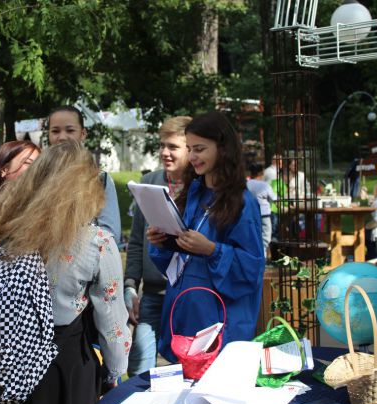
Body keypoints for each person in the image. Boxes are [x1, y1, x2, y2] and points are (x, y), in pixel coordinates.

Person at [0, 140, 130, 404]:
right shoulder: (96, 243)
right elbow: (112, 325)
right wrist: (114, 373)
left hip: (3, 362)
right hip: (64, 370)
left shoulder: (2, 227)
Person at [146, 111, 265, 363]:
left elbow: (252, 269)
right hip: (184, 318)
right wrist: (164, 241)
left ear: (223, 149)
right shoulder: (194, 194)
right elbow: (179, 262)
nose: (192, 157)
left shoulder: (243, 203)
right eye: (189, 149)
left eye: (199, 149)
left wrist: (212, 250)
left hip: (218, 327)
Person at [125, 116, 191, 377]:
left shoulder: (199, 187)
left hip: (186, 294)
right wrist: (130, 285)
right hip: (152, 294)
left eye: (173, 147)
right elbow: (136, 240)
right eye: (162, 145)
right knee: (139, 368)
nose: (165, 152)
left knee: (182, 369)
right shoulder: (149, 181)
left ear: (189, 149)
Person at [47, 105, 122, 245]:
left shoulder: (100, 180)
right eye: (55, 131)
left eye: (70, 130)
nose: (62, 137)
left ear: (83, 134)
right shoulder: (37, 177)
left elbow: (110, 235)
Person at [247, 163, 276, 259]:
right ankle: (262, 258)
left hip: (250, 214)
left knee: (253, 237)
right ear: (261, 173)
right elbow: (274, 198)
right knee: (265, 238)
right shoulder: (264, 185)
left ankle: (253, 258)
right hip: (264, 214)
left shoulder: (247, 184)